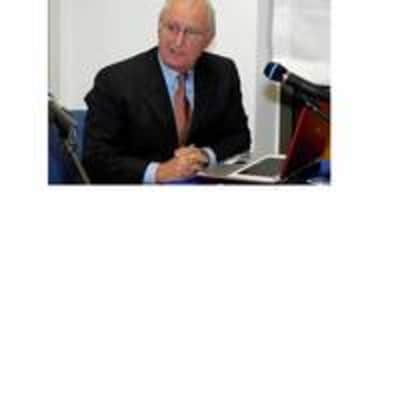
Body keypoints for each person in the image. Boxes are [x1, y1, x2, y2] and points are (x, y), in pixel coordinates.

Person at [83, 0, 251, 183]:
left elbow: (239, 137)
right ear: (159, 28)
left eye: (191, 32)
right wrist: (158, 172)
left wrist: (205, 155)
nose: (178, 41)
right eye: (172, 28)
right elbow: (96, 158)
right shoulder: (115, 81)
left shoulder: (223, 72)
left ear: (208, 39)